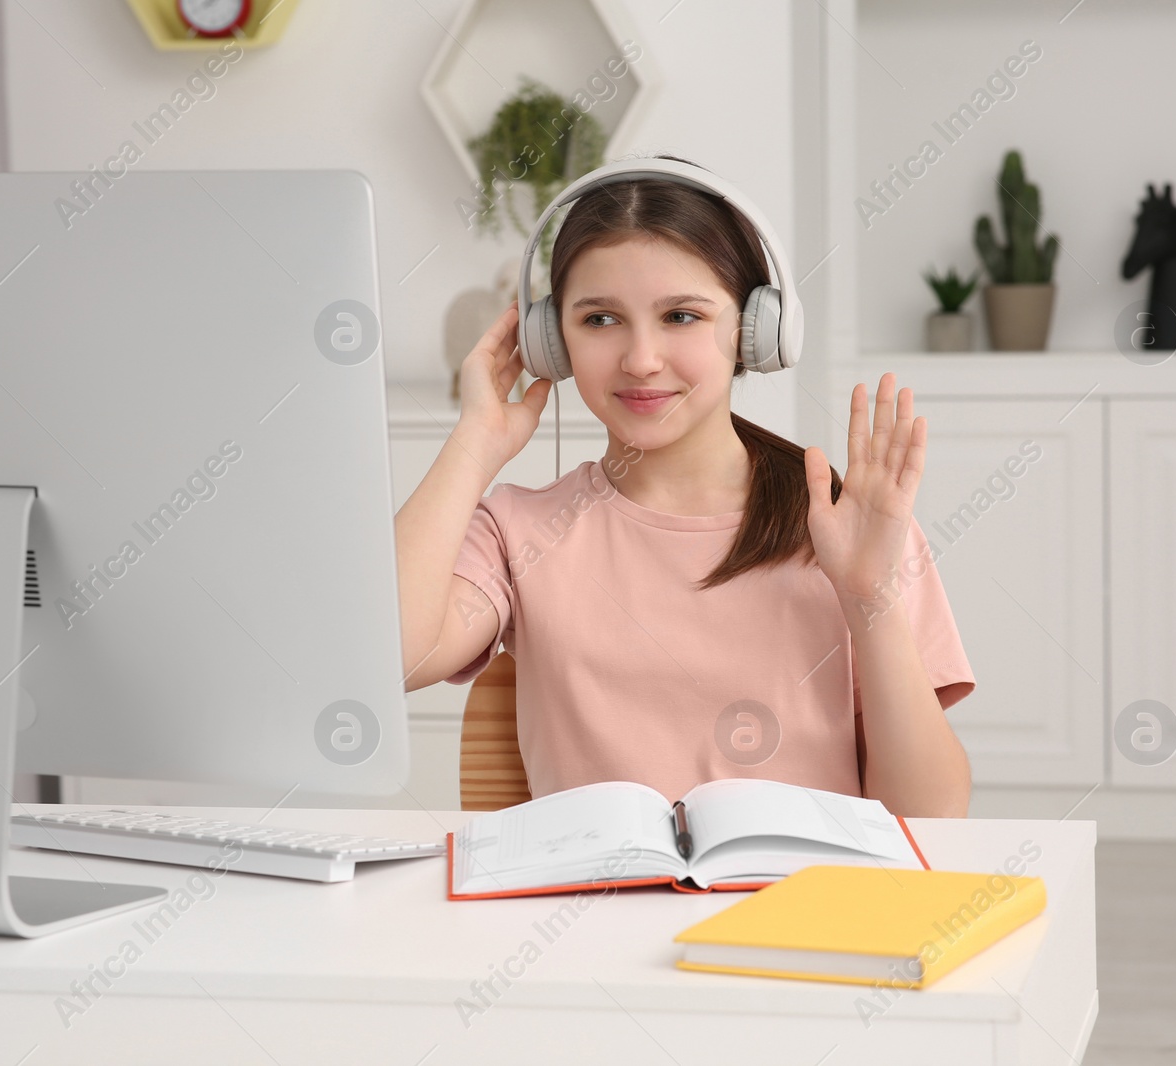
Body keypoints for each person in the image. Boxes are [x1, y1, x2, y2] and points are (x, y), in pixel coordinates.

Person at [396, 156, 975, 817]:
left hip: (804, 913)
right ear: (551, 343)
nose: (641, 359)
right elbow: (392, 660)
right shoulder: (517, 532)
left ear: (754, 332)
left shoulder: (851, 529)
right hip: (592, 916)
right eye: (600, 320)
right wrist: (476, 442)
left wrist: (870, 596)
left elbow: (931, 822)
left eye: (681, 317)